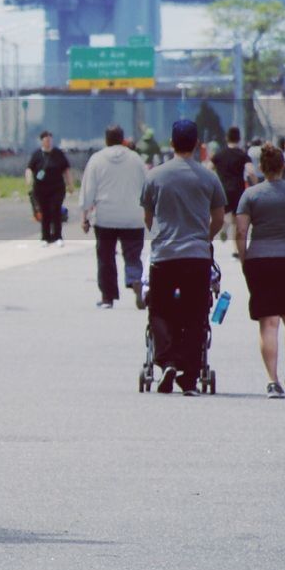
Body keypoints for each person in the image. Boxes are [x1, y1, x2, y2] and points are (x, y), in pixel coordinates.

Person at [140, 119, 226, 395]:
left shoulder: (155, 176)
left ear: (171, 143)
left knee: (161, 309)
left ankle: (165, 360)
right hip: (196, 256)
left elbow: (148, 216)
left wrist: (160, 234)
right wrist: (205, 237)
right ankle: (188, 375)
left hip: (164, 255)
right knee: (195, 313)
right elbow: (219, 218)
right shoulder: (209, 178)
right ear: (198, 145)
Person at [235, 143, 285, 399]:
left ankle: (273, 381)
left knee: (268, 323)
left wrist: (244, 259)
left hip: (261, 261)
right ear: (282, 166)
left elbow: (240, 231)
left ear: (261, 168)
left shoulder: (251, 195)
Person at [78, 124, 147, 309]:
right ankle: (135, 280)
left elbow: (88, 192)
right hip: (133, 217)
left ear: (106, 140)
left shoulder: (97, 160)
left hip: (105, 217)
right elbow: (147, 188)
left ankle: (108, 297)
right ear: (122, 138)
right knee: (133, 255)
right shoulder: (136, 159)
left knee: (106, 257)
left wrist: (84, 217)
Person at [211, 126, 256, 258]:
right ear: (239, 138)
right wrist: (256, 185)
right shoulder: (243, 155)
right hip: (238, 190)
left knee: (222, 215)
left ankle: (224, 227)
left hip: (222, 190)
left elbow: (208, 169)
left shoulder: (219, 155)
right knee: (237, 221)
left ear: (226, 138)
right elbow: (251, 171)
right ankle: (236, 249)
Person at [25, 130, 73, 246]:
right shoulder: (36, 155)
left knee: (56, 210)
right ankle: (45, 237)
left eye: (50, 140)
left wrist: (70, 185)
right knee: (44, 212)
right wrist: (29, 180)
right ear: (42, 141)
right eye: (46, 140)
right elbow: (29, 169)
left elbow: (66, 170)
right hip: (41, 189)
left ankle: (58, 236)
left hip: (57, 188)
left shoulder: (58, 154)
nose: (48, 142)